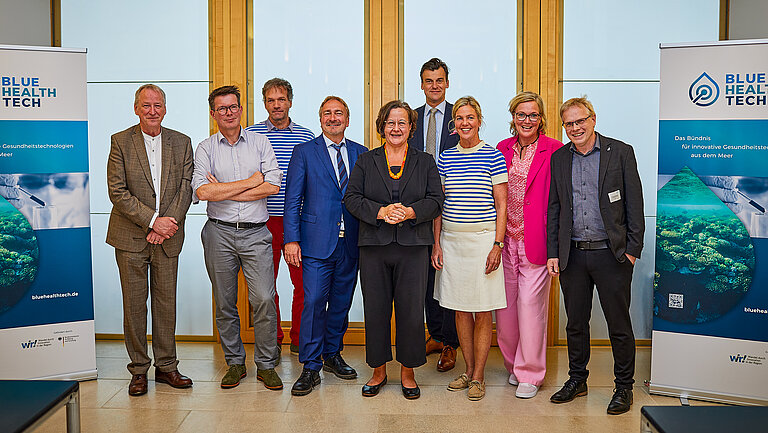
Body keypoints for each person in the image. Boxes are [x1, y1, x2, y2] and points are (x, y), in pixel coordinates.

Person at [547, 96, 644, 415]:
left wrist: (631, 251)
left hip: (612, 255)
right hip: (572, 255)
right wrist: (554, 252)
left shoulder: (621, 152)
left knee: (618, 324)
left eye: (580, 121)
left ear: (593, 119)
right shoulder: (560, 158)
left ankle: (624, 387)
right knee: (575, 324)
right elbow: (555, 208)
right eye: (569, 124)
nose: (575, 128)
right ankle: (577, 379)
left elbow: (635, 206)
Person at [345, 100, 443, 400]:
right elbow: (351, 198)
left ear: (411, 128)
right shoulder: (366, 160)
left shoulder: (425, 161)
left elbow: (436, 200)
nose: (396, 128)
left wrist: (411, 212)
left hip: (413, 247)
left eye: (402, 122)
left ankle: (408, 372)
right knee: (376, 310)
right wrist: (381, 212)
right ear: (381, 127)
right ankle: (378, 371)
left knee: (411, 312)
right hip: (374, 246)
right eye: (390, 122)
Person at [192, 85, 284, 390]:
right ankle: (234, 363)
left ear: (241, 109)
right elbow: (203, 192)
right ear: (213, 113)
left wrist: (226, 191)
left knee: (264, 299)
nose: (228, 113)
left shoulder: (260, 143)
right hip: (218, 233)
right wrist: (248, 183)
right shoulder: (205, 148)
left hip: (257, 234)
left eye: (233, 107)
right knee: (225, 303)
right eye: (222, 108)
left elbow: (272, 185)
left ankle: (267, 364)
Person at [106, 84, 194, 396]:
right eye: (146, 105)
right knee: (134, 306)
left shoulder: (182, 142)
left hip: (168, 237)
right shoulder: (120, 141)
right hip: (130, 236)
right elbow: (117, 191)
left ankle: (167, 367)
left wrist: (166, 224)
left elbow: (187, 187)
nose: (152, 111)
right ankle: (139, 370)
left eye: (158, 105)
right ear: (136, 108)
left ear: (165, 108)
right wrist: (153, 220)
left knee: (166, 302)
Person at [283, 96, 366, 396]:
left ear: (348, 119)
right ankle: (310, 365)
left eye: (339, 113)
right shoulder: (304, 152)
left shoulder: (362, 153)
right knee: (315, 301)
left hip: (352, 243)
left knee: (341, 304)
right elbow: (292, 200)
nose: (333, 118)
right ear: (320, 119)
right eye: (327, 113)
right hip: (316, 243)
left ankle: (332, 354)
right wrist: (291, 239)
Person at [432, 96, 508, 401]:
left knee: (482, 312)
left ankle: (479, 376)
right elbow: (438, 206)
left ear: (479, 120)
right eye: (459, 118)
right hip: (451, 242)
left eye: (470, 117)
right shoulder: (444, 158)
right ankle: (467, 370)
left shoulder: (493, 156)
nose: (465, 123)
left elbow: (502, 205)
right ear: (454, 124)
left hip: (483, 242)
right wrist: (436, 243)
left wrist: (497, 245)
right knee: (460, 310)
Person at [495, 91, 563, 399]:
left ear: (541, 119)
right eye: (521, 115)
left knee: (531, 308)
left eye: (533, 115)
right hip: (505, 240)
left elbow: (561, 202)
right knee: (506, 311)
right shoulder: (501, 148)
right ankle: (513, 365)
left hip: (536, 241)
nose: (527, 120)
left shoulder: (556, 150)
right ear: (512, 118)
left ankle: (531, 373)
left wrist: (556, 248)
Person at [246, 78, 315, 355]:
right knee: (266, 286)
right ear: (265, 103)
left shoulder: (306, 136)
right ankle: (272, 339)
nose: (277, 105)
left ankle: (300, 338)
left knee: (304, 284)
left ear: (290, 102)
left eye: (282, 99)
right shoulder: (251, 135)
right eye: (271, 100)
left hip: (298, 221)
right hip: (263, 220)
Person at [407, 57, 460, 372]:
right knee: (426, 277)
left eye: (439, 79)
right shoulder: (410, 118)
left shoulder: (460, 116)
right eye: (429, 80)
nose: (434, 85)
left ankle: (451, 342)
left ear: (447, 82)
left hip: (454, 208)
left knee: (448, 277)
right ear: (422, 84)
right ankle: (436, 335)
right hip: (419, 211)